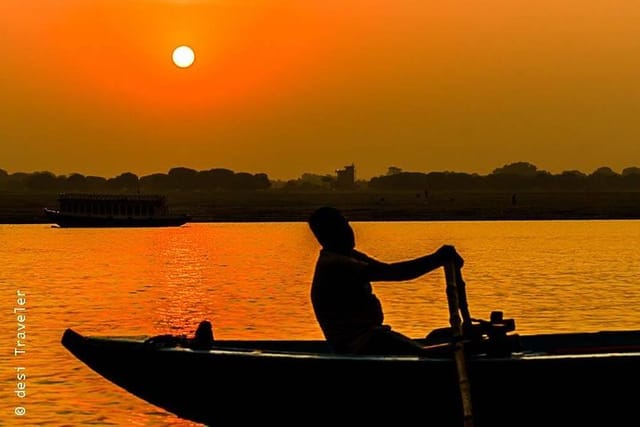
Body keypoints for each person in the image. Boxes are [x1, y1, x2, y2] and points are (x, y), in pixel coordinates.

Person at [307, 206, 466, 356]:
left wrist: (439, 259)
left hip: (373, 337)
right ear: (329, 235)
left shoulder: (349, 255)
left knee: (438, 335)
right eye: (342, 227)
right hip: (359, 344)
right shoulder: (336, 264)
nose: (349, 231)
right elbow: (393, 273)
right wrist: (437, 259)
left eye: (347, 224)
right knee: (427, 352)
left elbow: (387, 268)